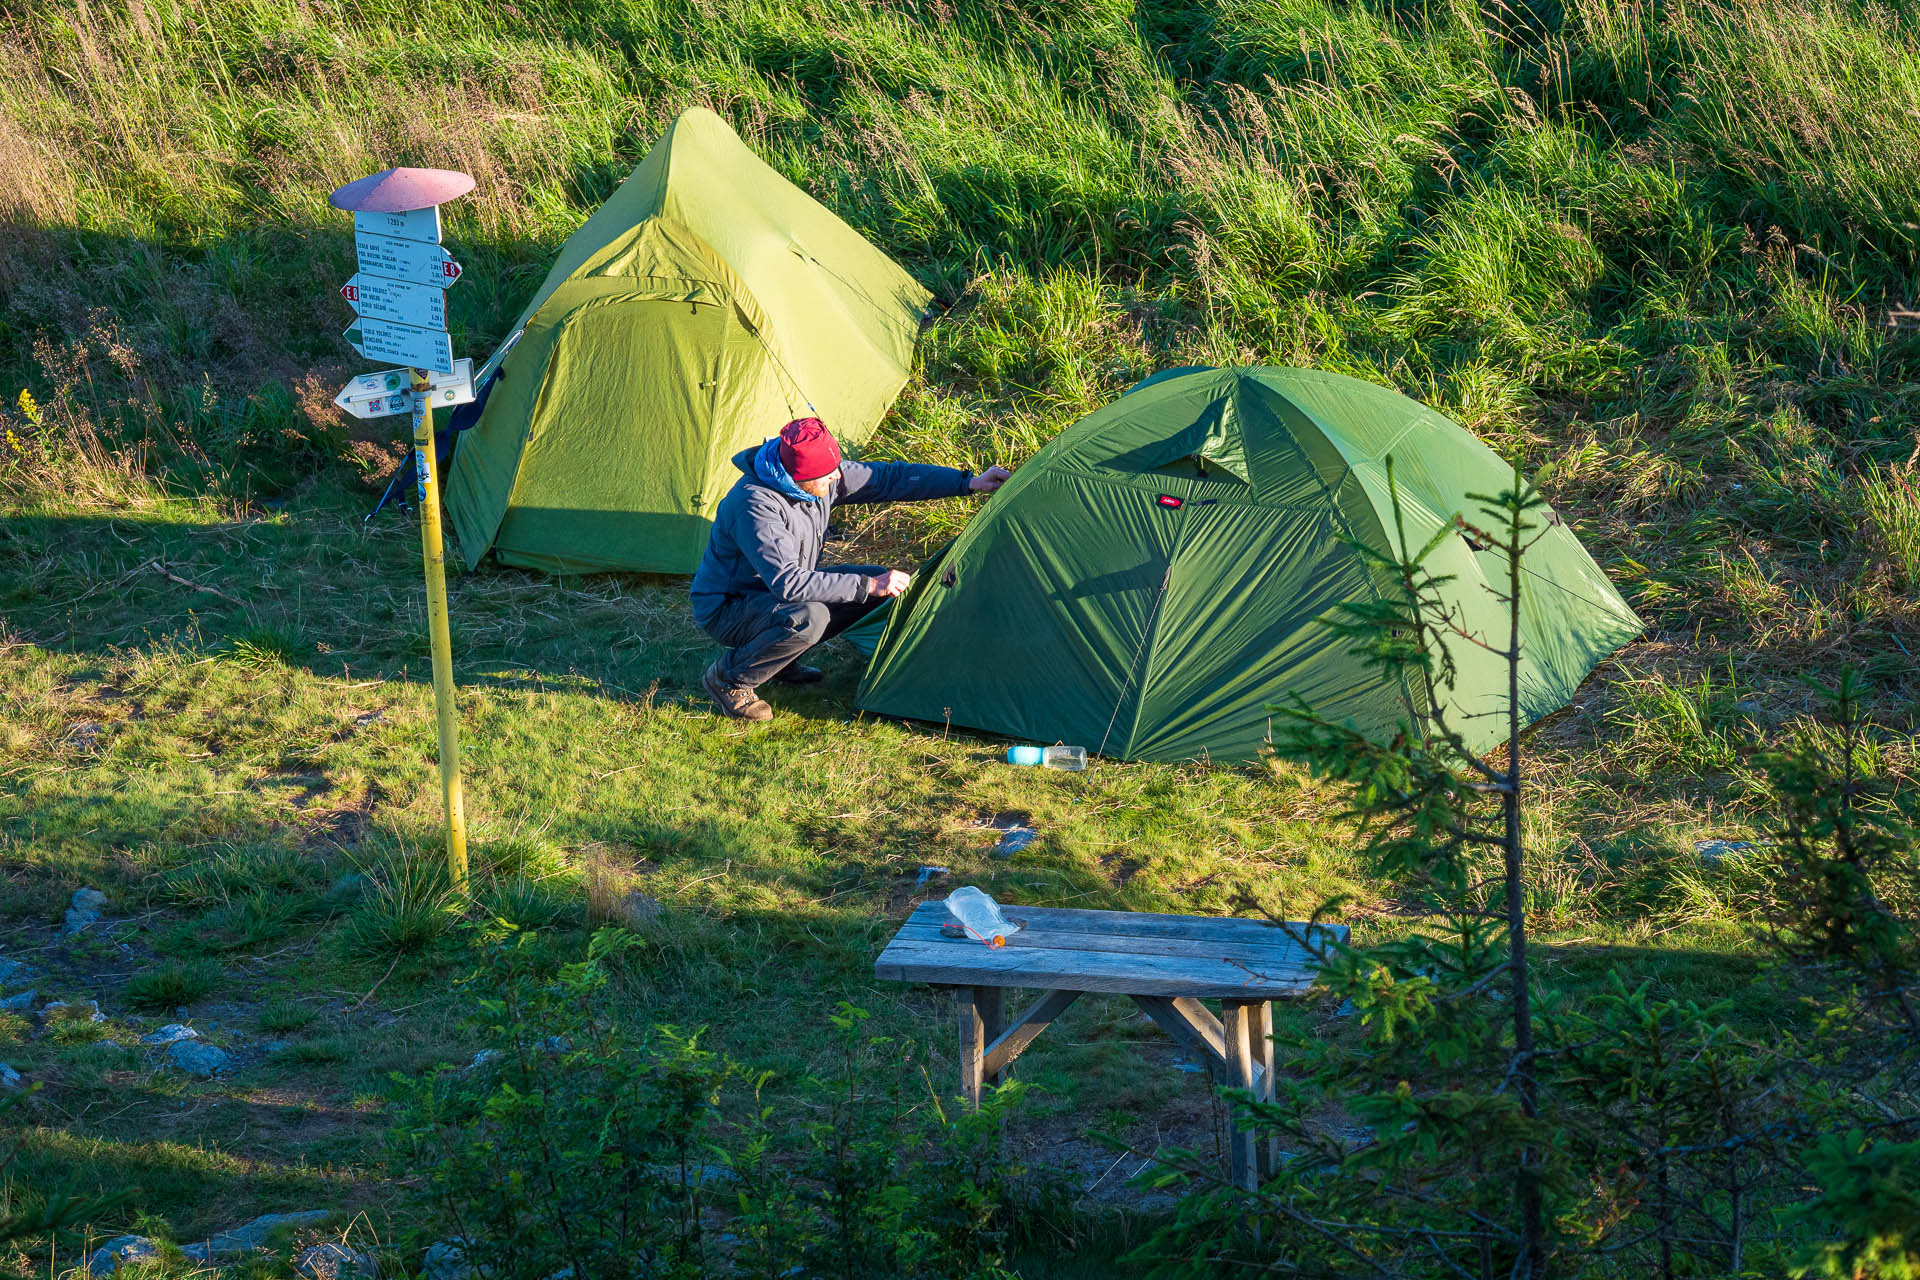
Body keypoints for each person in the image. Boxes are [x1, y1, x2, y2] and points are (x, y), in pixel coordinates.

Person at [690, 417, 1010, 721]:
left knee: (871, 589)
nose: (837, 478)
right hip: (729, 607)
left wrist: (968, 482)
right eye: (828, 474)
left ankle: (777, 663)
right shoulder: (755, 505)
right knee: (811, 617)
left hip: (774, 596)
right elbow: (788, 583)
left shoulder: (820, 477)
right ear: (799, 476)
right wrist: (868, 585)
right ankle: (729, 678)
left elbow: (888, 479)